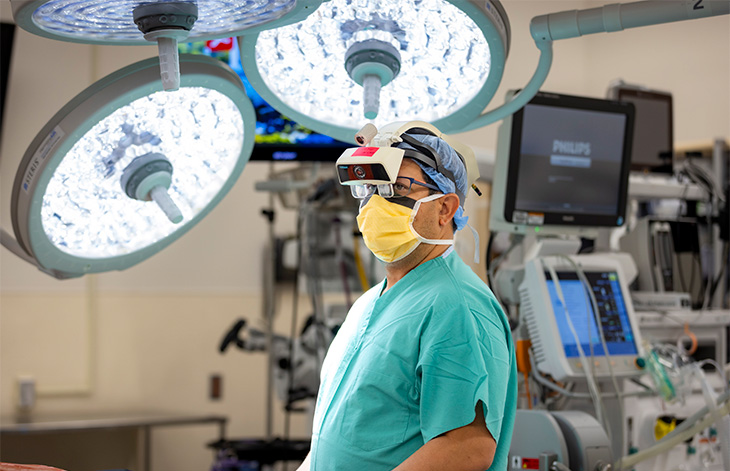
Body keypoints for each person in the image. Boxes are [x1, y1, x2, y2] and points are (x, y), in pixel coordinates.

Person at [297, 126, 517, 470]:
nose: (376, 204)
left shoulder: (458, 307)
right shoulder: (369, 303)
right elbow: (339, 429)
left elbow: (467, 448)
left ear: (445, 208)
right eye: (370, 189)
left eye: (397, 188)